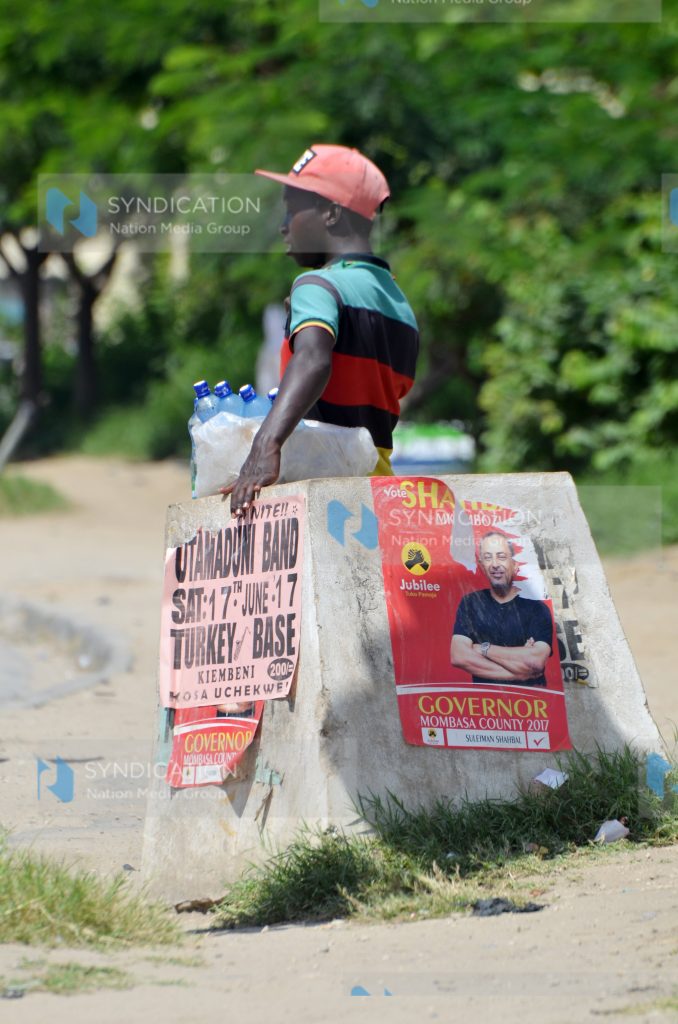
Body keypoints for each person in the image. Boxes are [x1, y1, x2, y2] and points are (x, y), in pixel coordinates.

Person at [221, 144, 419, 517]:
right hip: (378, 493)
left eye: (293, 208)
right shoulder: (398, 302)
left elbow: (313, 360)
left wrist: (266, 444)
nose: (284, 224)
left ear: (330, 212)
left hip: (323, 497)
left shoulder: (316, 284)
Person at [450, 531, 553, 687]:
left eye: (501, 557)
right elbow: (459, 656)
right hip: (486, 703)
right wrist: (519, 672)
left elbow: (535, 661)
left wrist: (483, 649)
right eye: (487, 557)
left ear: (515, 564)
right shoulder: (470, 603)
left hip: (531, 704)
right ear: (481, 566)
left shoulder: (537, 608)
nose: (495, 564)